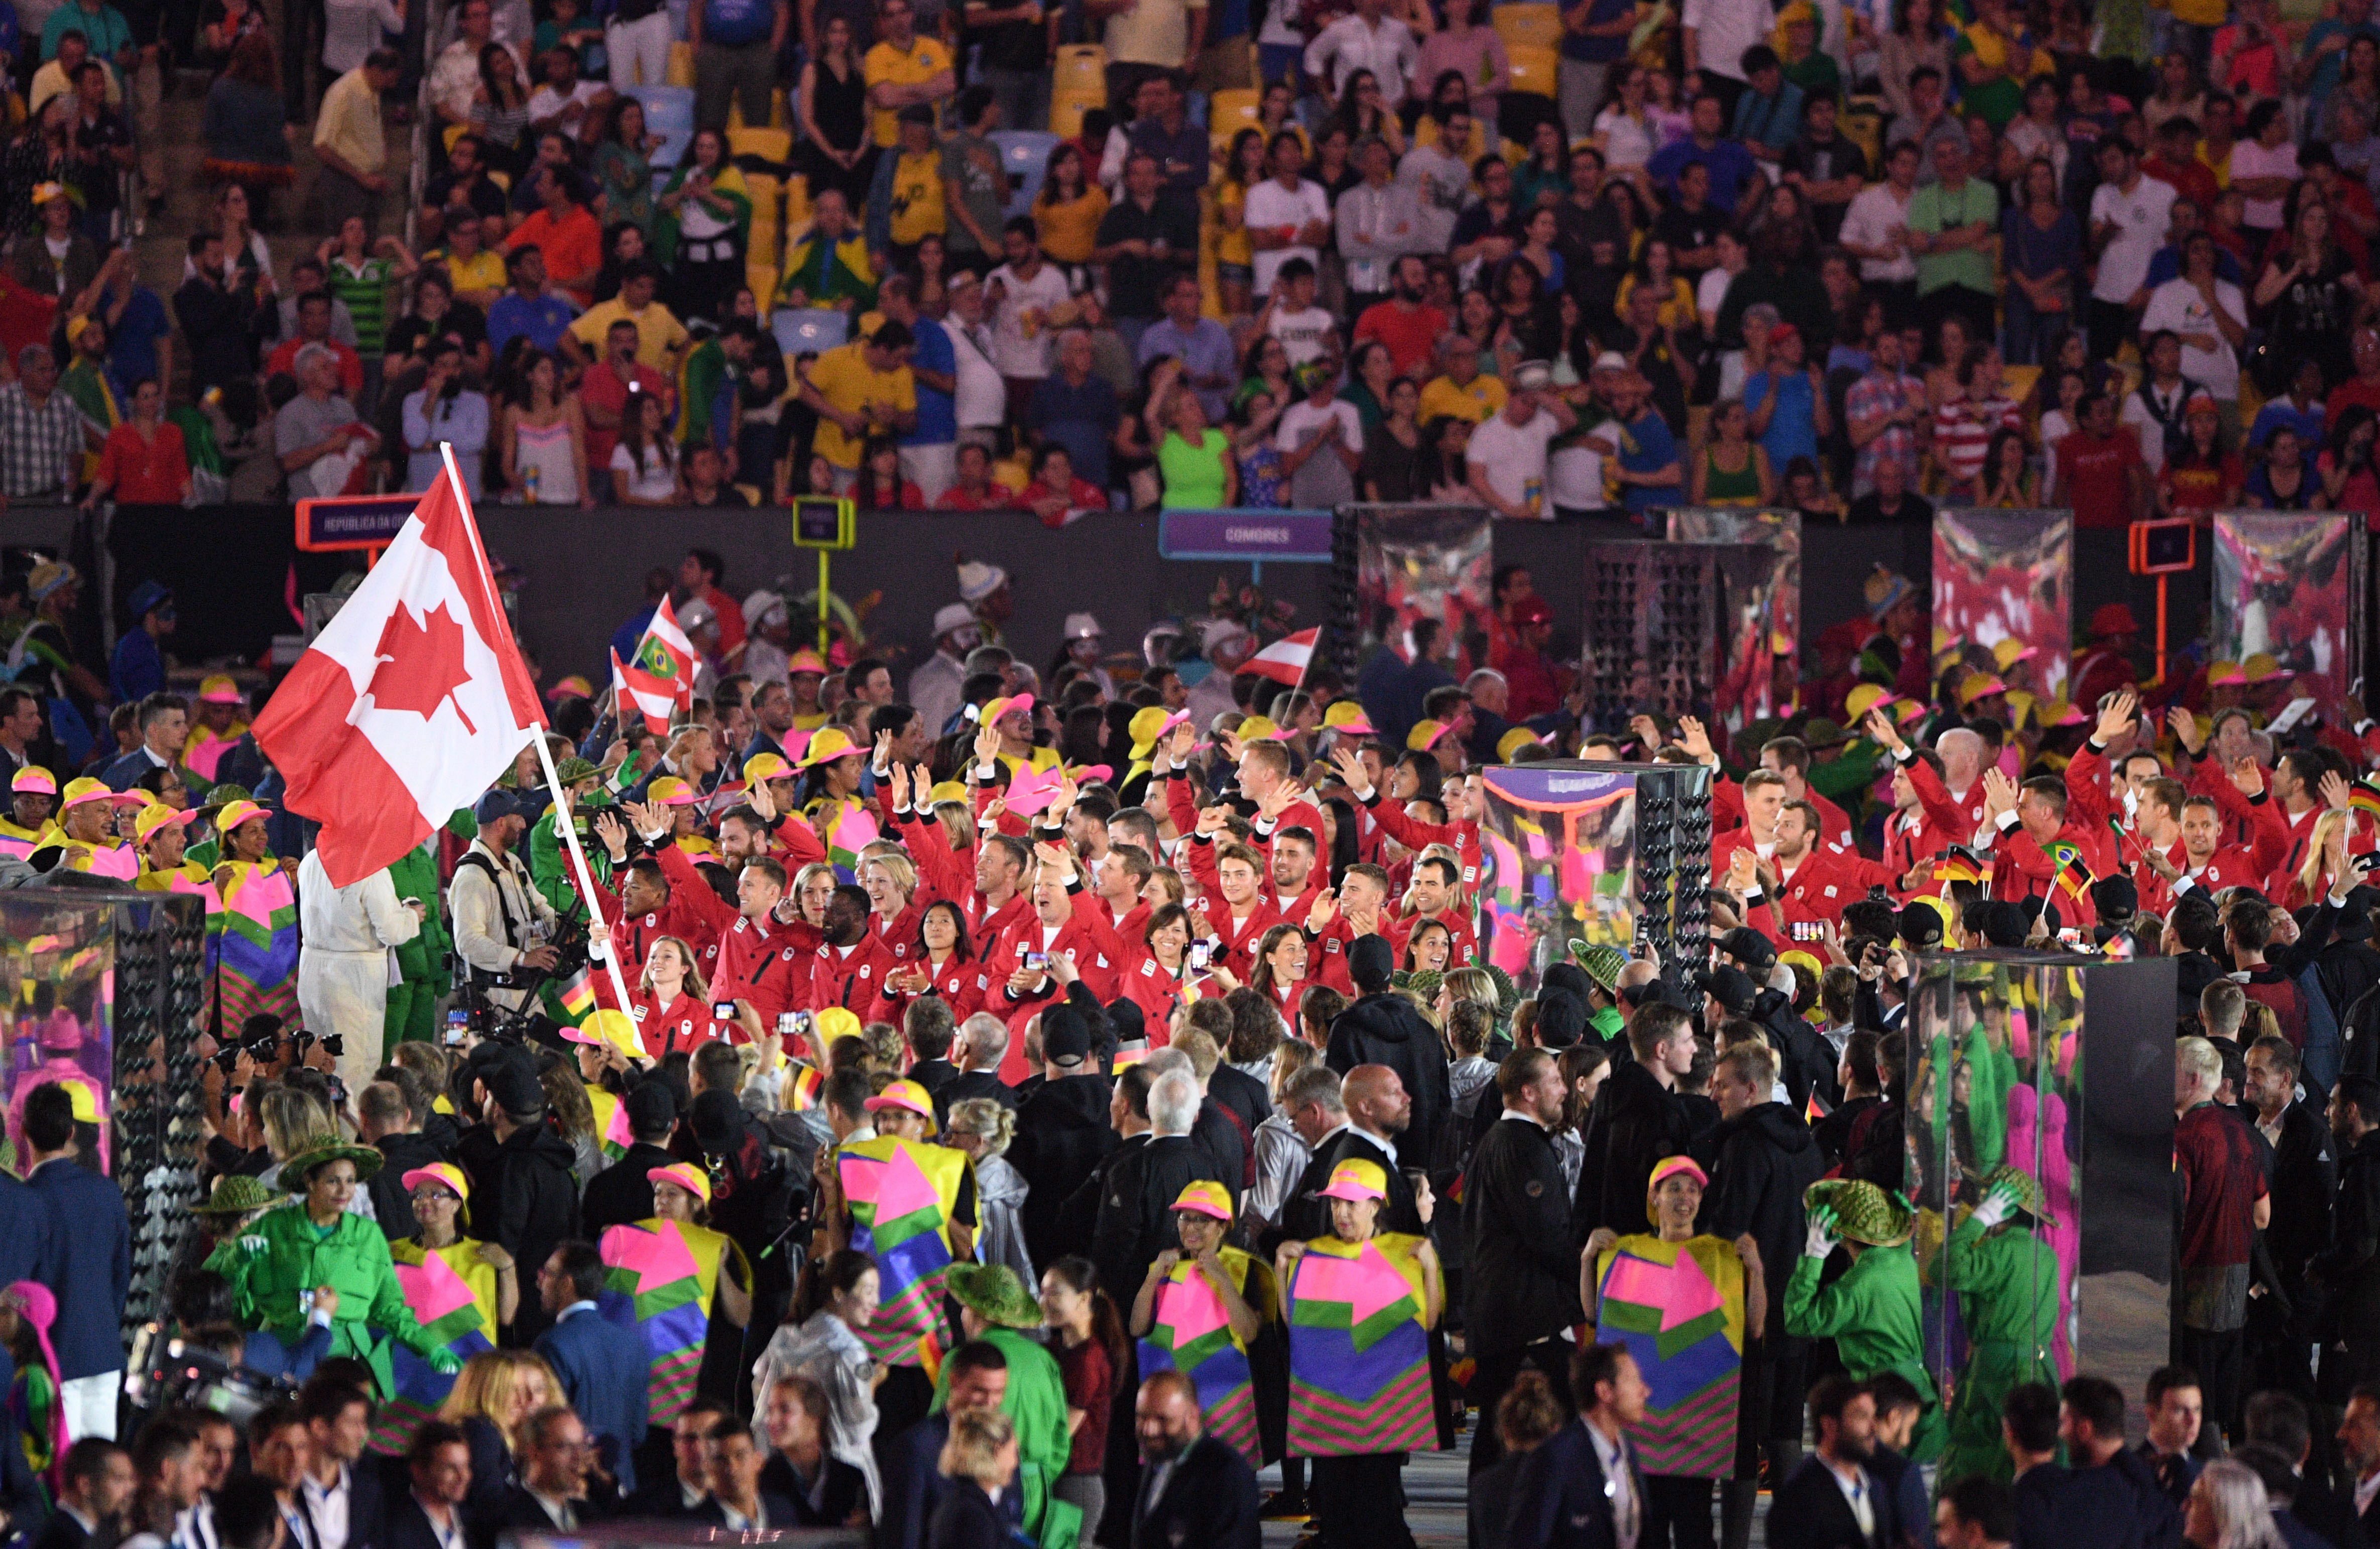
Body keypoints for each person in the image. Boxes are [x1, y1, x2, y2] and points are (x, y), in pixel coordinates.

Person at [1503, 1341, 1651, 1548]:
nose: (1645, 1391)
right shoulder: (1556, 1458)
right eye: (1633, 1380)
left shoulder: (1627, 1450)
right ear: (1604, 1391)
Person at [532, 1240, 650, 1491]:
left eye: (548, 1273)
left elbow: (545, 1427)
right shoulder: (633, 1345)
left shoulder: (552, 1343)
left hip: (573, 1486)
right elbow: (638, 1433)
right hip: (623, 1488)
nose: (540, 1282)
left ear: (568, 1283)